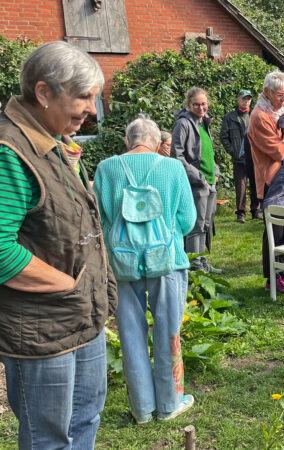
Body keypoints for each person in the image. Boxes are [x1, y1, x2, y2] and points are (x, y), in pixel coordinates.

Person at [0, 40, 116, 449]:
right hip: (42, 330)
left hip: (83, 321)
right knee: (48, 438)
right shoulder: (9, 151)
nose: (91, 110)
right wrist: (70, 286)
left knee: (85, 420)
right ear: (44, 92)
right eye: (83, 97)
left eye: (94, 98)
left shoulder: (53, 141)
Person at [94, 115, 196, 424]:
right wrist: (167, 235)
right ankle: (169, 404)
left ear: (127, 141)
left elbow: (99, 219)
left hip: (122, 262)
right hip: (167, 260)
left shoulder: (106, 169)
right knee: (169, 332)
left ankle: (142, 409)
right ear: (155, 143)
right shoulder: (172, 168)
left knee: (129, 333)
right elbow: (188, 219)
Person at [247, 70, 284, 294]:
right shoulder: (259, 116)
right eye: (279, 95)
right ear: (267, 92)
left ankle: (283, 271)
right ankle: (272, 278)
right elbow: (278, 152)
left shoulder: (278, 113)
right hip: (271, 180)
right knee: (274, 230)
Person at [171, 86, 222, 274]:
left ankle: (202, 261)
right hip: (196, 183)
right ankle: (195, 265)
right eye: (196, 105)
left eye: (204, 104)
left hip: (210, 181)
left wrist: (215, 170)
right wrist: (198, 177)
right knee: (196, 225)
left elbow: (208, 152)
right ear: (188, 104)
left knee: (206, 224)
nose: (201, 108)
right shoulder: (183, 124)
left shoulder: (203, 123)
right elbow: (177, 156)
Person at [220, 89, 253, 223]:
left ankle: (256, 211)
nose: (246, 101)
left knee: (256, 185)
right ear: (238, 100)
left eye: (248, 99)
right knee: (241, 186)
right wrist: (232, 150)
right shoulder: (230, 117)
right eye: (243, 98)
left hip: (254, 157)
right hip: (238, 158)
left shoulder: (255, 115)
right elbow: (223, 136)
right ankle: (241, 213)